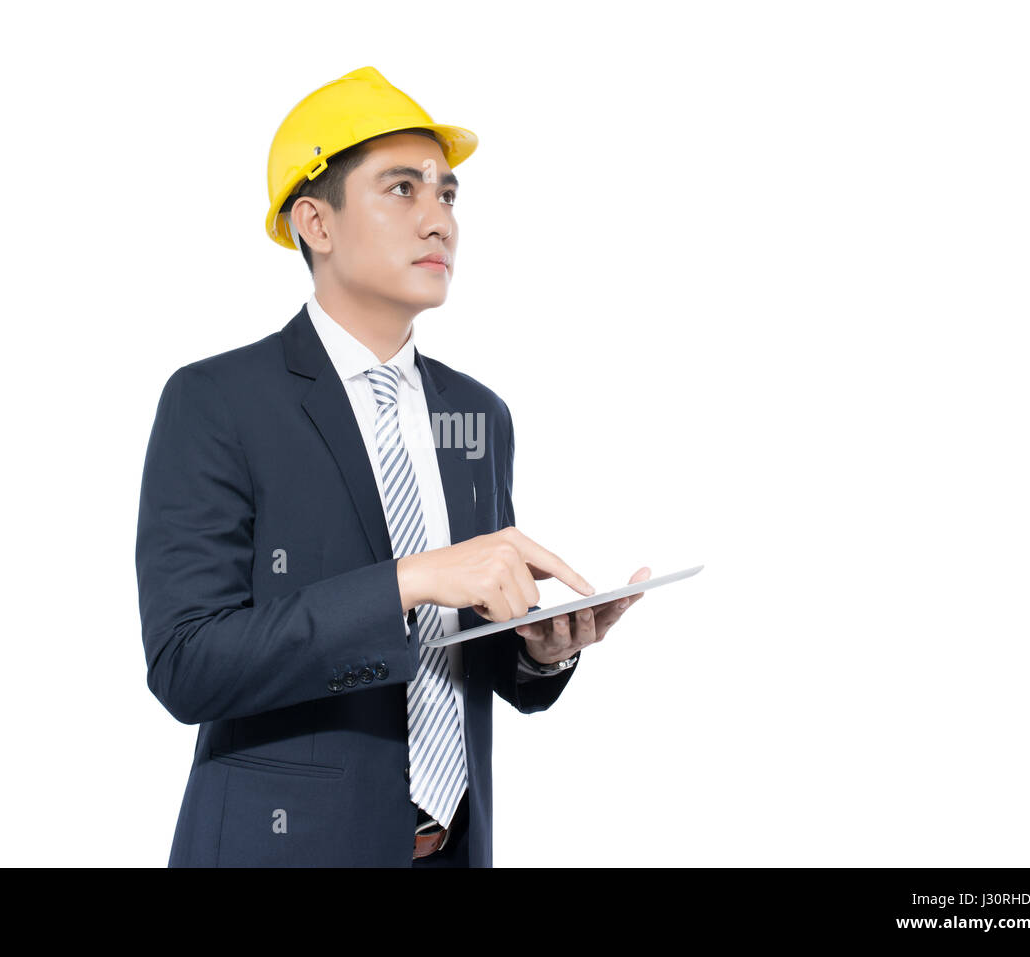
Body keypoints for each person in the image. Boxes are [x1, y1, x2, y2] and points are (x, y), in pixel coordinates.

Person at [135, 66, 651, 867]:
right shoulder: (216, 401)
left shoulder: (479, 415)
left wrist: (535, 650)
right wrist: (410, 578)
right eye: (402, 190)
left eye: (447, 195)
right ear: (316, 220)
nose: (437, 220)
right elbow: (188, 664)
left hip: (452, 849)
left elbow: (458, 655)